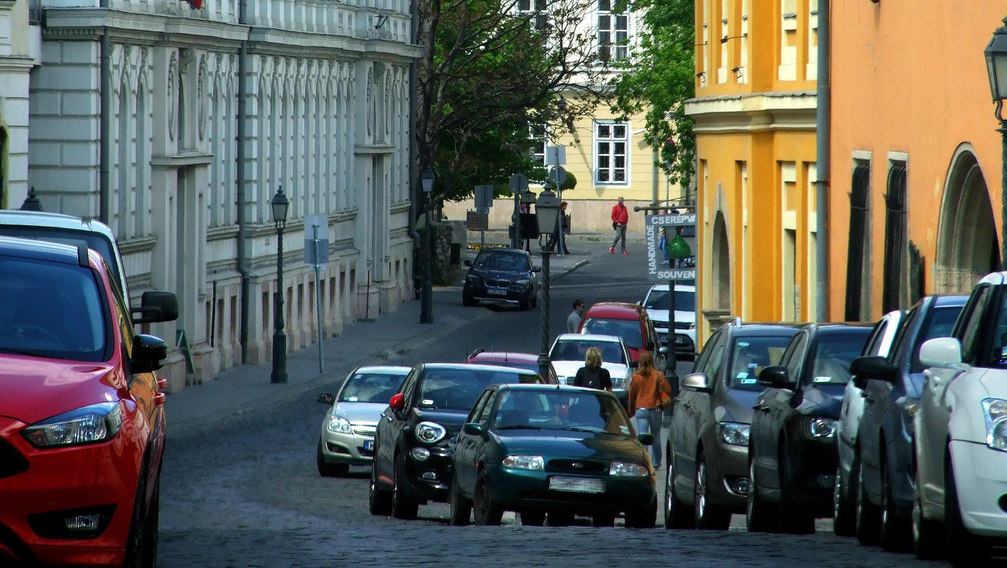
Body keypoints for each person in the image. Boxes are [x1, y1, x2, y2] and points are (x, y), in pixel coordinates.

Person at [628, 351, 672, 468]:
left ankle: (644, 462)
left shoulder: (636, 377)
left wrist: (631, 410)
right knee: (656, 436)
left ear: (640, 362)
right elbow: (668, 389)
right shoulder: (658, 375)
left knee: (643, 437)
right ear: (652, 361)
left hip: (641, 409)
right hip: (655, 408)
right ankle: (656, 462)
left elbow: (631, 396)